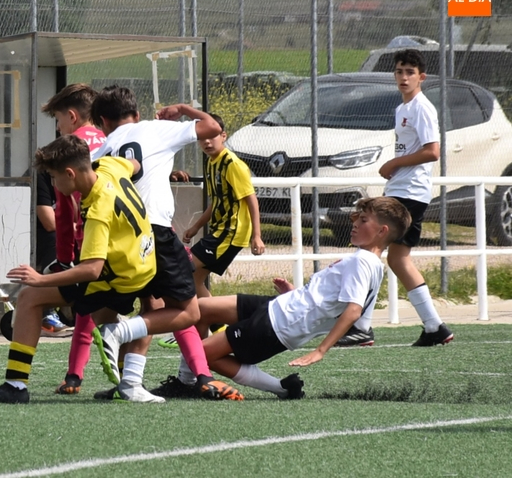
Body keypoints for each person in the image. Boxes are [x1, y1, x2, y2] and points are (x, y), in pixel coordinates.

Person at [0, 135, 155, 404]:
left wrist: (40, 279)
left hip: (115, 277)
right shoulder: (109, 167)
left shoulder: (99, 210)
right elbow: (135, 164)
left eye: (55, 178)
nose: (54, 184)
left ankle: (16, 385)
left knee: (30, 296)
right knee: (123, 314)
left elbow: (92, 270)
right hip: (143, 260)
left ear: (70, 173)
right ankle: (129, 382)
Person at [88, 85, 242, 402]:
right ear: (136, 113)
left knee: (152, 306)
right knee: (188, 312)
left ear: (103, 121)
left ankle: (130, 383)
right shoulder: (155, 129)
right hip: (153, 229)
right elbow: (212, 127)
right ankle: (119, 332)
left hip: (116, 237)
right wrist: (184, 109)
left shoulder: (101, 149)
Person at [197, 196, 411, 399]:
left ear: (382, 231)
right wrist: (293, 293)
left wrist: (320, 350)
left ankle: (282, 388)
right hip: (281, 306)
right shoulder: (371, 263)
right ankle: (187, 379)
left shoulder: (362, 261)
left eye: (364, 220)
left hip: (281, 323)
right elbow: (329, 302)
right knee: (201, 309)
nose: (355, 222)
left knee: (201, 355)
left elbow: (353, 311)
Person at [336, 48, 455, 348]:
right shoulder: (403, 108)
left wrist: (393, 164)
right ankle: (434, 327)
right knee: (397, 258)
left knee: (374, 251)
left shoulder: (421, 107)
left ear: (421, 77)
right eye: (400, 71)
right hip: (402, 190)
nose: (404, 77)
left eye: (410, 72)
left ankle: (362, 327)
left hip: (410, 192)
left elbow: (433, 151)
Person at [149, 114, 266, 396]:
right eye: (202, 139)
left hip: (231, 233)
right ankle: (208, 321)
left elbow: (250, 198)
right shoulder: (212, 163)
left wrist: (257, 235)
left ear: (224, 136)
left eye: (212, 136)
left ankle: (210, 322)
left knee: (188, 273)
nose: (207, 142)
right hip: (217, 232)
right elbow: (216, 202)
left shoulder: (233, 164)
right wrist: (195, 226)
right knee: (194, 278)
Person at [40, 83, 106, 392]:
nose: (57, 127)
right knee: (160, 307)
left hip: (90, 241)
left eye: (57, 120)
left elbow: (66, 210)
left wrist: (65, 257)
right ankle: (197, 372)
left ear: (71, 116)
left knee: (81, 308)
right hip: (130, 237)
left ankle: (72, 376)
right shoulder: (111, 139)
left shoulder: (69, 149)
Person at [33, 170, 70, 337]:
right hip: (36, 239)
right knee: (55, 237)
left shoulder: (88, 174)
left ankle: (102, 307)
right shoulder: (41, 176)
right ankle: (46, 312)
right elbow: (49, 222)